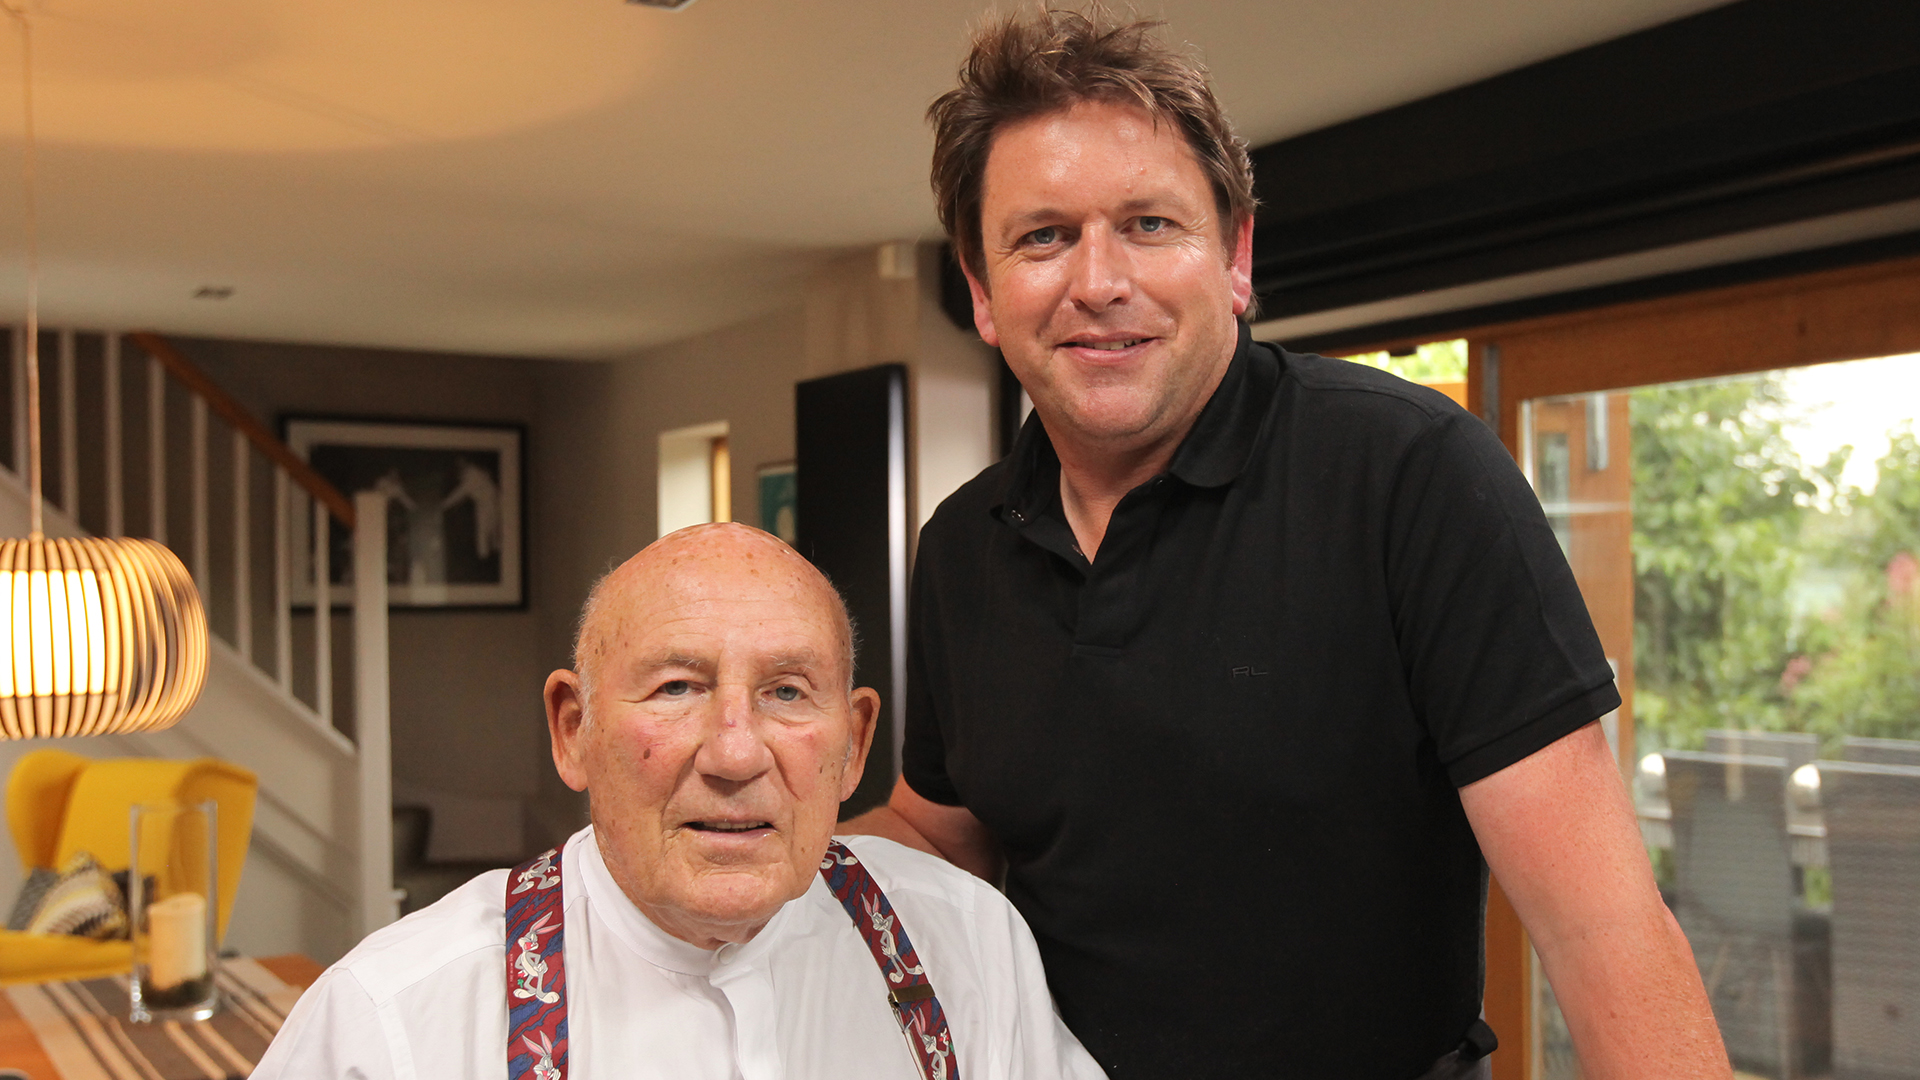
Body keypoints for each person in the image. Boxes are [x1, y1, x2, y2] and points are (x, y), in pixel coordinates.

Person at [848, 9, 1731, 1080]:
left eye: (1149, 224)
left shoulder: (1411, 475)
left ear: (1236, 257)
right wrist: (773, 847)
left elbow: (1603, 930)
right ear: (983, 293)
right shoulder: (961, 546)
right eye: (1043, 237)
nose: (1098, 281)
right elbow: (944, 832)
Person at [254, 523, 1108, 1080]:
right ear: (573, 730)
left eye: (786, 692)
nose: (735, 753)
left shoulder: (971, 946)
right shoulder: (390, 1023)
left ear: (853, 745)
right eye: (676, 688)